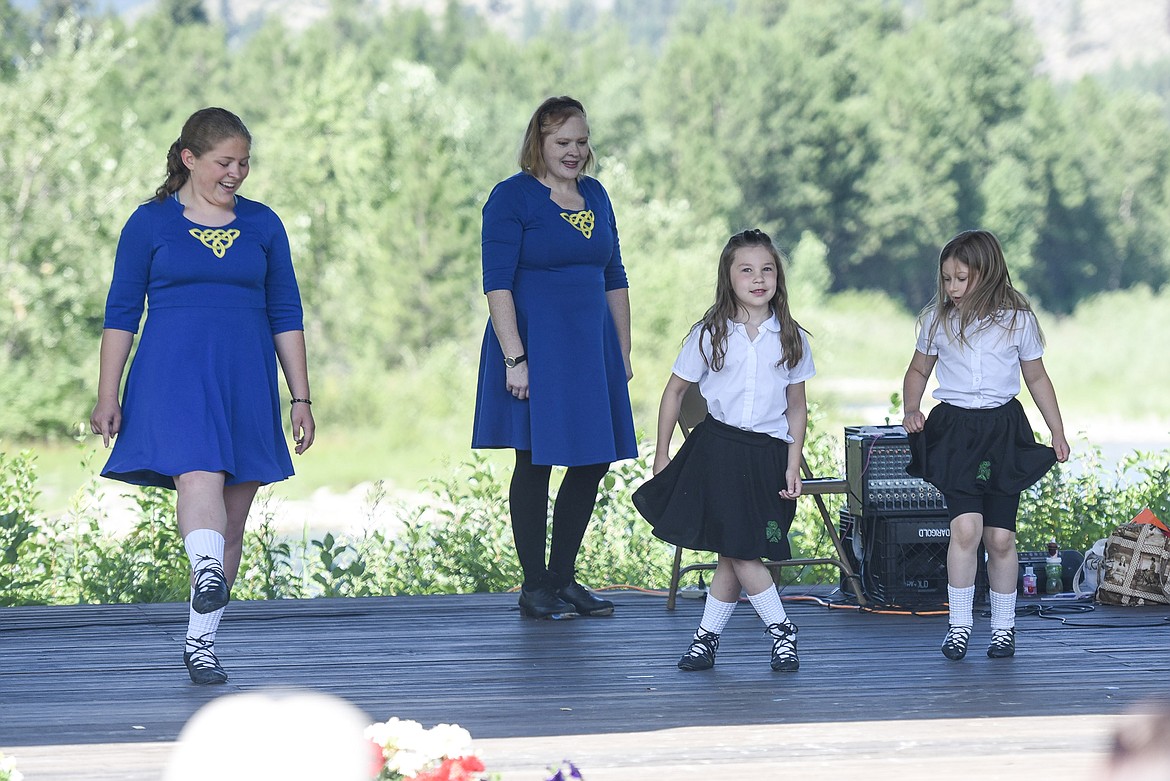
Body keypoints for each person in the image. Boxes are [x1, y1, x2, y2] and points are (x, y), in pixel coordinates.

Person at [90, 107, 314, 685]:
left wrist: (301, 398)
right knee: (198, 474)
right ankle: (207, 569)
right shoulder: (150, 223)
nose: (236, 173)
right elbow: (120, 314)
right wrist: (106, 393)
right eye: (224, 162)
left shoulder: (264, 225)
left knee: (234, 517)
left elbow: (286, 313)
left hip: (245, 376)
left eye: (244, 162)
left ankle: (201, 643)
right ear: (190, 159)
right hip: (173, 374)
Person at [472, 95, 637, 619]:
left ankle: (564, 577)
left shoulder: (597, 195)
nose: (574, 152)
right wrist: (514, 358)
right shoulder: (511, 198)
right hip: (534, 346)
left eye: (582, 142)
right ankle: (535, 585)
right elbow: (496, 284)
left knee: (593, 459)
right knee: (534, 460)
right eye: (562, 142)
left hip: (592, 348)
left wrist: (622, 353)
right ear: (538, 142)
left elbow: (615, 277)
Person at [632, 229, 814, 672]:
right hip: (717, 450)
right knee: (738, 547)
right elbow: (674, 393)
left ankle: (705, 639)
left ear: (778, 277)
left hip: (767, 454)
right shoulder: (709, 333)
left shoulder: (790, 337)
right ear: (727, 277)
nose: (758, 279)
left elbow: (796, 406)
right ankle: (781, 628)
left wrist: (793, 463)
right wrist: (662, 454)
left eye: (767, 269)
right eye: (746, 270)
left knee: (736, 550)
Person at [901, 228, 1069, 661]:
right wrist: (911, 407)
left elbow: (1036, 378)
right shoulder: (937, 321)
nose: (953, 288)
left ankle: (1003, 629)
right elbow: (917, 371)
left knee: (999, 538)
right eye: (947, 280)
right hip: (954, 431)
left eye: (961, 278)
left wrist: (1057, 432)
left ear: (988, 274)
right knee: (965, 529)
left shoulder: (1018, 321)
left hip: (1002, 432)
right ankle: (958, 627)